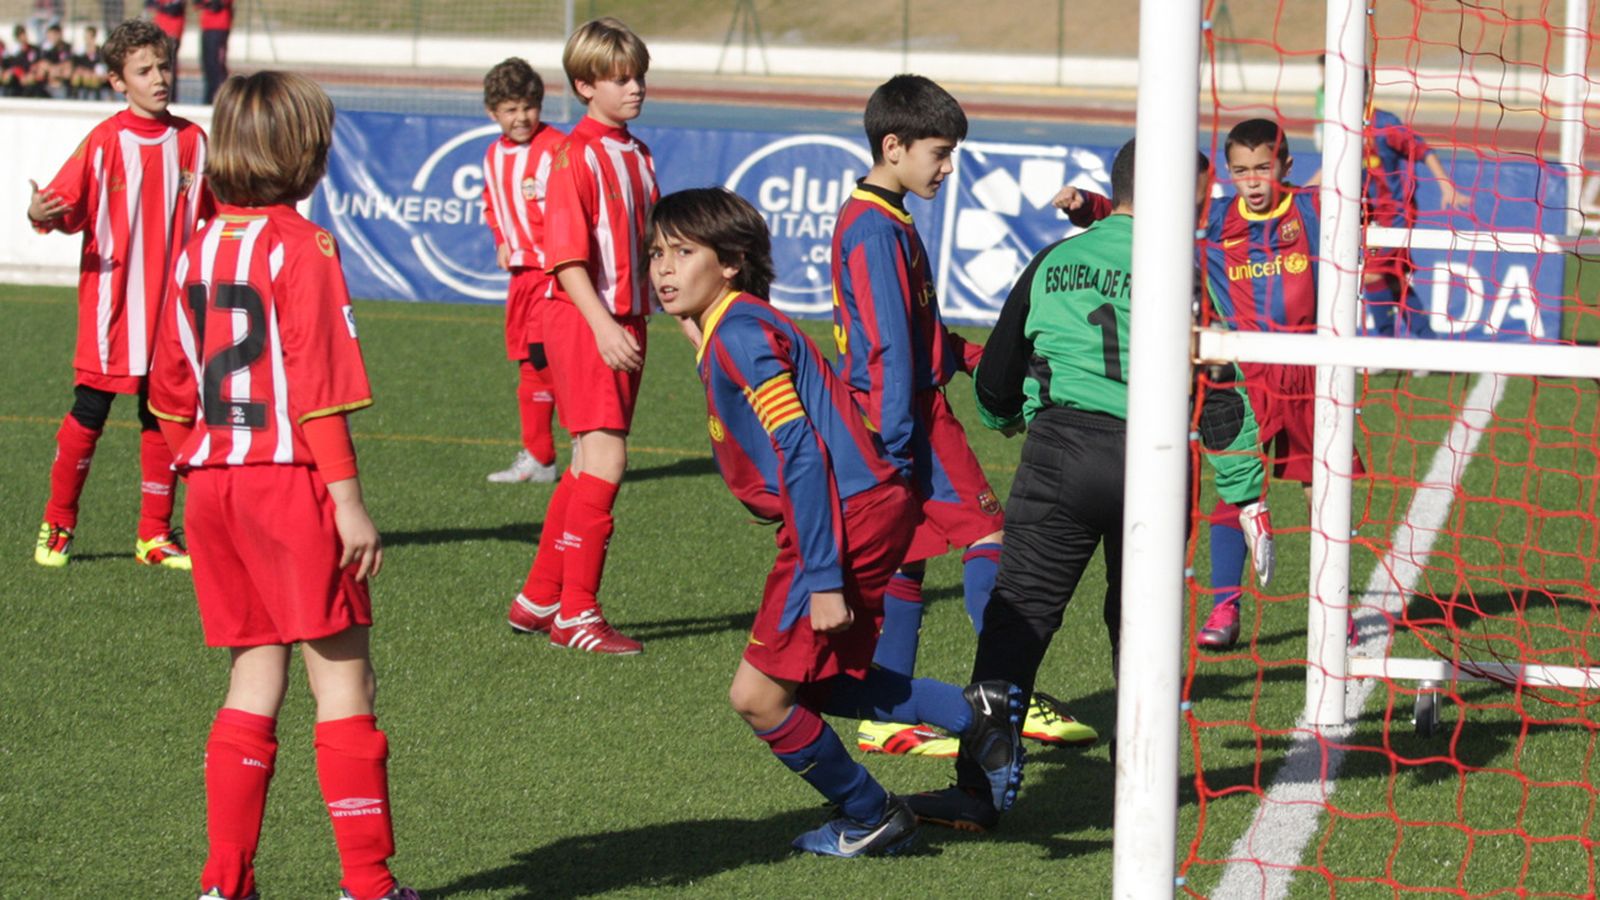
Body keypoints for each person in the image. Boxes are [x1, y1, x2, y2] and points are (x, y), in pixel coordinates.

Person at [647, 185, 1024, 856]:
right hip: (865, 506)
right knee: (824, 680)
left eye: (682, 253)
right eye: (655, 255)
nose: (664, 269)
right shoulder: (739, 320)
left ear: (731, 261)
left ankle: (871, 813)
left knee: (758, 696)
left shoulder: (738, 332)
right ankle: (978, 720)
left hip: (841, 516)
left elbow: (800, 450)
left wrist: (823, 578)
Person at [911, 141, 1274, 832]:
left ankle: (977, 792)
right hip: (1157, 460)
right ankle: (1142, 783)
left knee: (1018, 619)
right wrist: (1248, 492)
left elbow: (995, 375)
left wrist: (1011, 415)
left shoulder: (1054, 259)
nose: (1206, 207)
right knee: (1139, 626)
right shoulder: (1187, 272)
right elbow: (1222, 390)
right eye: (1199, 196)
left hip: (1062, 454)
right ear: (1173, 193)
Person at [146, 70, 418, 900]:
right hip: (291, 486)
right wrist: (346, 501)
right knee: (343, 681)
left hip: (213, 486)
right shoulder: (302, 247)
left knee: (252, 677)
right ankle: (368, 886)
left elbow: (166, 394)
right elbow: (320, 386)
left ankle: (224, 883)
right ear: (304, 154)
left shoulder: (193, 248)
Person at [829, 74, 1095, 756]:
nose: (948, 168)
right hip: (907, 417)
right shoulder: (875, 231)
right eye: (939, 153)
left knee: (905, 559)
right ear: (894, 146)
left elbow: (916, 332)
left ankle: (887, 707)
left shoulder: (881, 220)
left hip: (891, 409)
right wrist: (896, 442)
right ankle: (1008, 692)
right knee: (990, 535)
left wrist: (977, 357)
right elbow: (889, 346)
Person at [26, 17, 208, 570]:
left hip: (171, 315)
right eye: (144, 70)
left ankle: (153, 535)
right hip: (113, 310)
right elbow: (59, 203)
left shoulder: (194, 141)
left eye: (163, 67)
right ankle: (58, 524)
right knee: (90, 412)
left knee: (162, 416)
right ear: (116, 82)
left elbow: (216, 217)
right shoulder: (105, 141)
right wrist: (39, 212)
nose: (159, 79)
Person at [510, 17, 656, 654]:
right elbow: (566, 258)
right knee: (605, 456)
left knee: (584, 462)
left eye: (639, 75)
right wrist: (600, 326)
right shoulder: (573, 154)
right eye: (620, 78)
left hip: (624, 319)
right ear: (584, 85)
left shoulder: (637, 152)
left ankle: (540, 594)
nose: (635, 88)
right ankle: (578, 613)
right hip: (584, 318)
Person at [1309, 61, 1471, 340]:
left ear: (1366, 88)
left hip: (1395, 214)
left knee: (1370, 276)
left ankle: (1382, 345)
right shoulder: (1342, 126)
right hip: (1369, 217)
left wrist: (1445, 184)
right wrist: (1300, 191)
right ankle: (1430, 346)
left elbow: (1421, 149)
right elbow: (1329, 168)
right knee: (1393, 282)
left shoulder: (1383, 123)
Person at [479, 57, 565, 492]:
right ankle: (543, 455)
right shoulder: (493, 155)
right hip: (522, 277)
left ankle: (545, 455)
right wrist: (500, 236)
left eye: (529, 106)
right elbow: (492, 202)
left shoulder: (557, 148)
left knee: (542, 362)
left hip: (554, 275)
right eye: (510, 109)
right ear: (493, 113)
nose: (521, 117)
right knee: (532, 363)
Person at [144, 0, 182, 101]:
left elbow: (174, 9)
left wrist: (160, 6)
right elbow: (149, 4)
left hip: (172, 33)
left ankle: (171, 96)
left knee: (169, 66)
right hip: (158, 32)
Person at [195, 0, 229, 103]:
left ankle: (220, 98)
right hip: (207, 26)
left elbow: (216, 5)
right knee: (207, 64)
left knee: (216, 66)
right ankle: (209, 98)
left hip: (219, 27)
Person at [69, 24, 109, 99]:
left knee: (93, 77)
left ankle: (95, 98)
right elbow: (76, 65)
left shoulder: (100, 52)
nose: (87, 39)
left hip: (95, 76)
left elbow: (101, 67)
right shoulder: (80, 52)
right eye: (86, 36)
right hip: (83, 76)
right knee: (77, 76)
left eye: (90, 37)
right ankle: (75, 96)